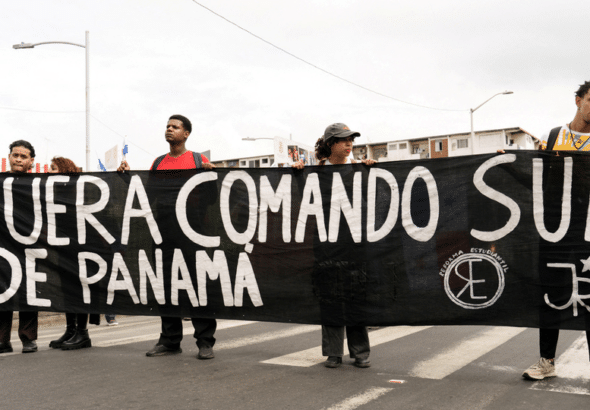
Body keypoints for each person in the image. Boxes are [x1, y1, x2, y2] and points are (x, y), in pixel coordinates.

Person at [118, 114, 217, 360]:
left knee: (197, 286)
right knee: (166, 287)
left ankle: (205, 342)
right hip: (163, 233)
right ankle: (170, 340)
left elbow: (211, 199)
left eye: (175, 127)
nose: (169, 129)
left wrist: (210, 177)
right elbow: (144, 195)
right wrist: (125, 176)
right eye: (167, 126)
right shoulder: (158, 162)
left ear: (186, 134)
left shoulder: (198, 160)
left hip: (193, 233)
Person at [521, 81, 590, 380]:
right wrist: (510, 165)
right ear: (578, 101)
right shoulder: (554, 136)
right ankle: (546, 362)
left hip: (587, 232)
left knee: (588, 297)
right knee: (551, 295)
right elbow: (540, 184)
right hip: (555, 232)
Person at [313, 123, 376, 368]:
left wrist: (372, 172)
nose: (349, 144)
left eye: (351, 140)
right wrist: (296, 172)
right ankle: (333, 352)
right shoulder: (314, 171)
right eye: (342, 140)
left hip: (354, 243)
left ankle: (360, 352)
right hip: (325, 243)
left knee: (355, 295)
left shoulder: (361, 170)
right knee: (330, 296)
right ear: (331, 144)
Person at [47, 157, 94, 350]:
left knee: (79, 288)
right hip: (63, 246)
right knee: (67, 288)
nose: (49, 171)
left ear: (64, 170)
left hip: (80, 247)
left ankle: (82, 333)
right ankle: (71, 330)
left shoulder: (78, 192)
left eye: (53, 168)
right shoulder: (51, 192)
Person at [0, 140, 39, 354]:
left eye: (23, 157)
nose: (18, 159)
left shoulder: (39, 184)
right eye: (15, 155)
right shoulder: (1, 181)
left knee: (28, 293)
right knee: (1, 292)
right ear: (9, 157)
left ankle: (28, 338)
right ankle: (1, 340)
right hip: (3, 246)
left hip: (29, 246)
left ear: (31, 161)